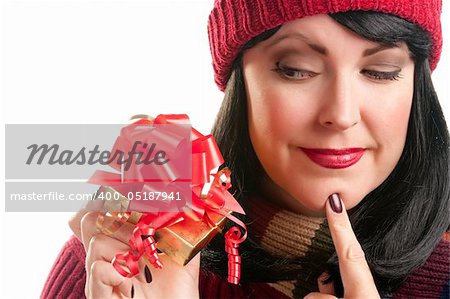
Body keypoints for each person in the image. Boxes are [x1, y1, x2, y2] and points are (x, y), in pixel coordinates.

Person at [41, 0, 450, 298]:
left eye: (380, 72)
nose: (341, 115)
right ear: (240, 85)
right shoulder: (119, 259)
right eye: (296, 70)